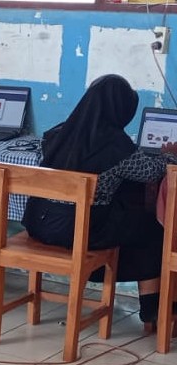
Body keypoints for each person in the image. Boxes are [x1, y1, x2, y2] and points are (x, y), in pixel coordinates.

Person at [22, 74, 177, 324]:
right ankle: (152, 307)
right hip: (79, 232)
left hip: (39, 225)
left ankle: (136, 296)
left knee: (129, 222)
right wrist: (170, 155)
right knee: (151, 228)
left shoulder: (56, 135)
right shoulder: (115, 145)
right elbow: (150, 172)